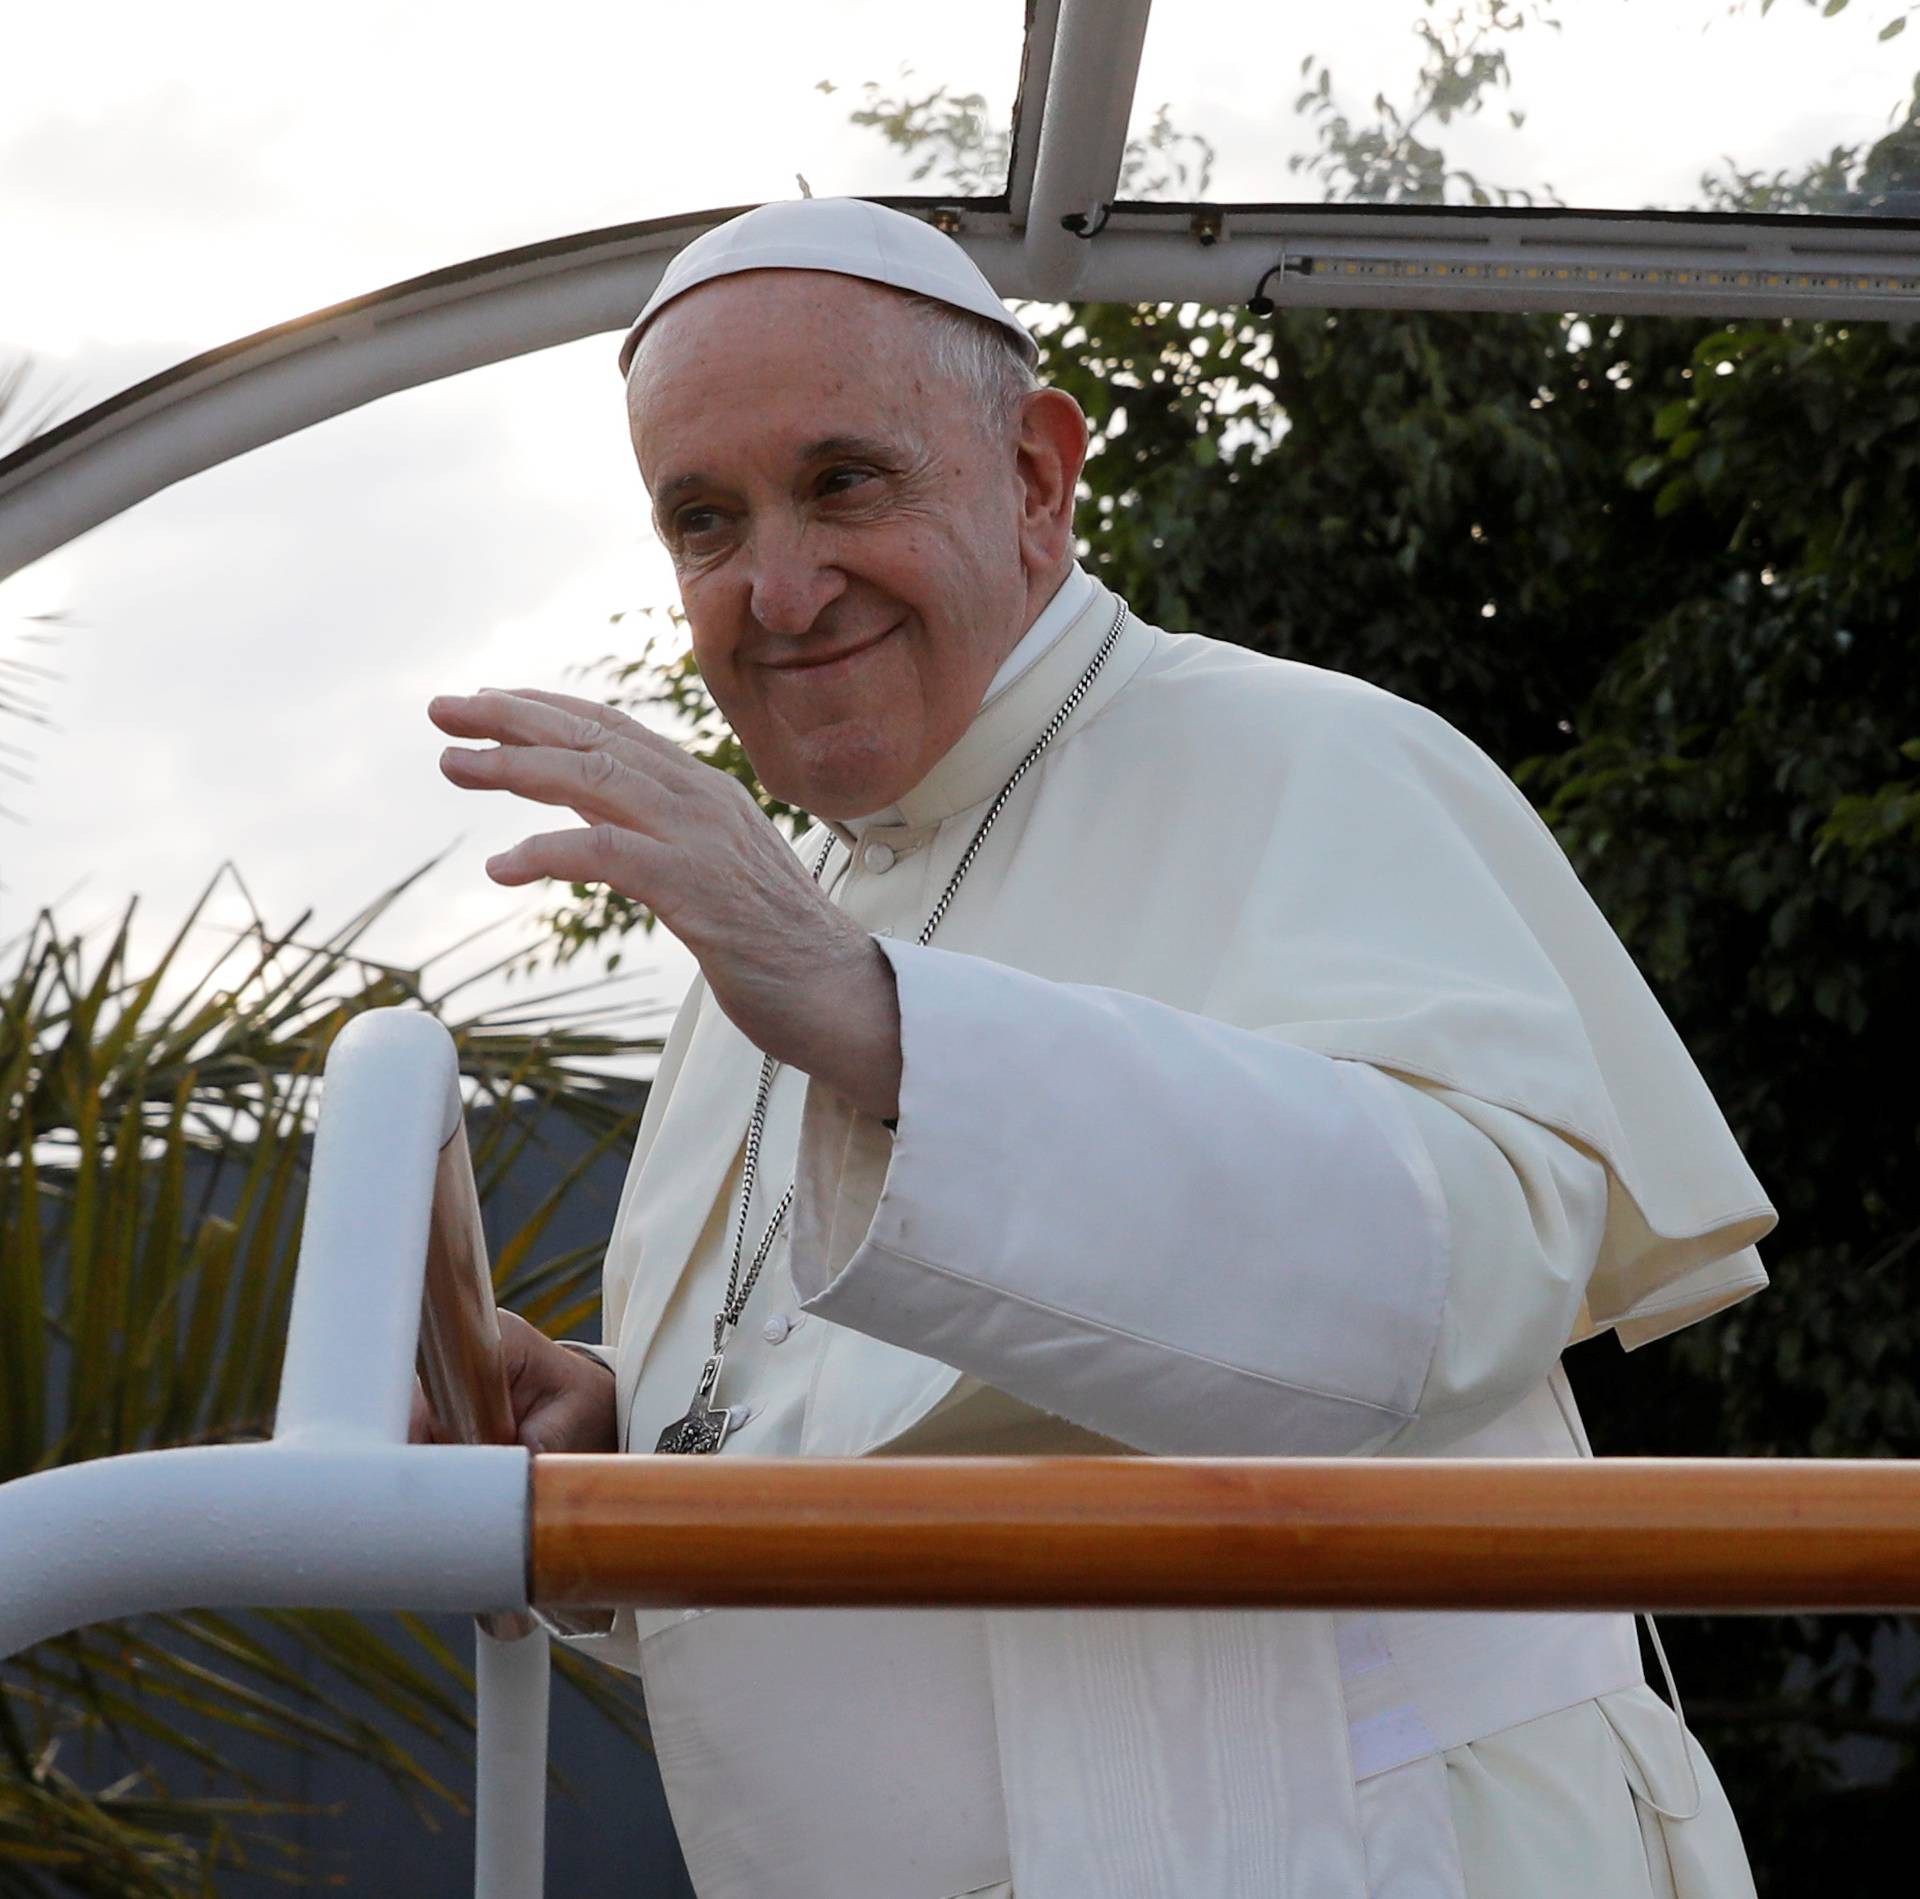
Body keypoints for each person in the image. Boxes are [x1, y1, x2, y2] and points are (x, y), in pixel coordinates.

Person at [424, 197, 1774, 1899]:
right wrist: (622, 1457)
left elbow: (1466, 1267)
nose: (776, 586)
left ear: (1040, 481)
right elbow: (887, 1474)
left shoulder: (1306, 755)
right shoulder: (770, 940)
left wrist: (876, 1022)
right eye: (706, 520)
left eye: (845, 481)